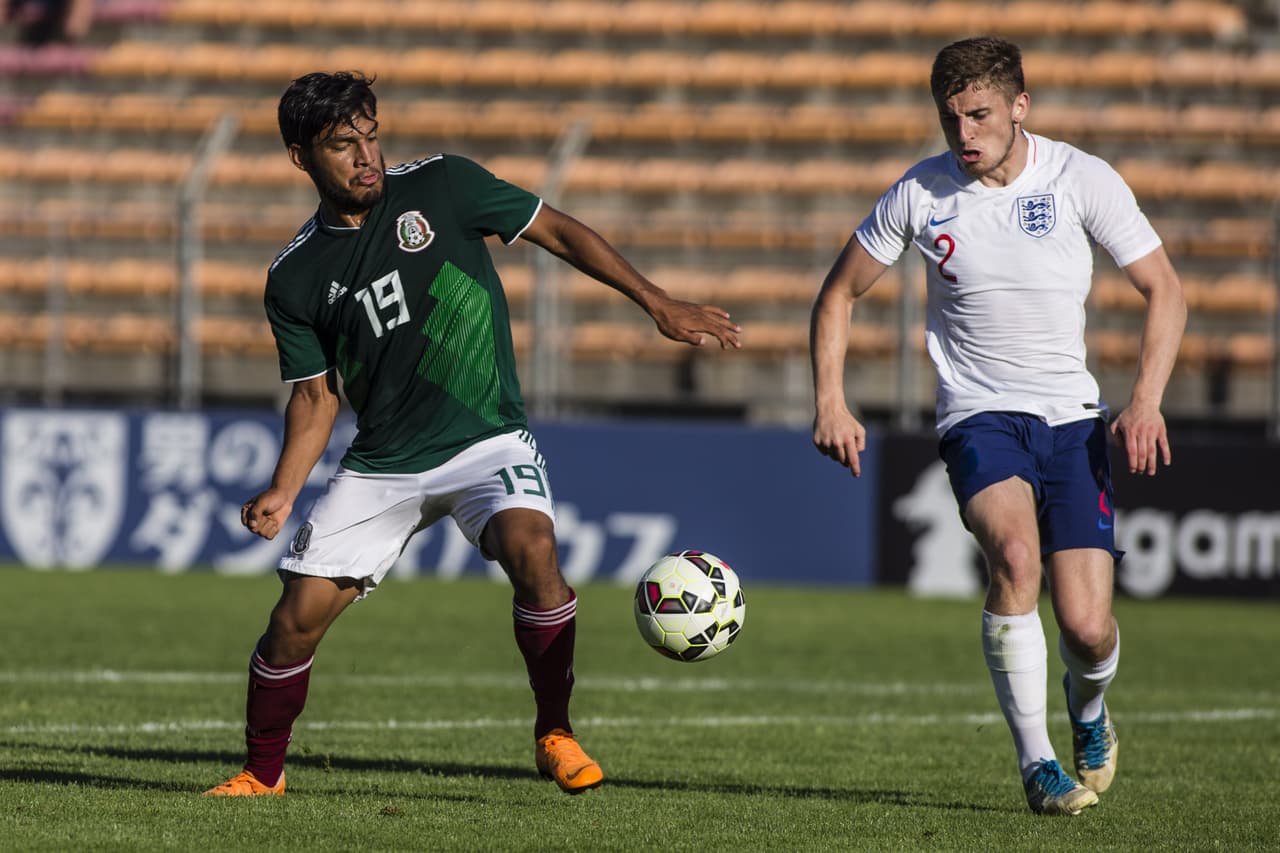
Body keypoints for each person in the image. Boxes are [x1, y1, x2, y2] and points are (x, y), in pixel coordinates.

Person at [204, 71, 741, 797]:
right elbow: (315, 396)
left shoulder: (443, 186)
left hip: (486, 438)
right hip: (383, 463)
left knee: (534, 548)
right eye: (342, 145)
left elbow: (555, 227)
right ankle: (261, 774)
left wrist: (655, 300)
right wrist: (283, 487)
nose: (367, 156)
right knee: (293, 621)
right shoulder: (295, 276)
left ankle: (555, 731)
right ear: (301, 157)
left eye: (371, 136)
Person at [809, 37, 1185, 816]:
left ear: (1020, 106)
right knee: (1016, 557)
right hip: (979, 414)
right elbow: (839, 292)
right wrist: (830, 400)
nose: (966, 135)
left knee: (1087, 626)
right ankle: (1038, 764)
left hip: (1073, 420)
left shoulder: (1081, 177)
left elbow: (1165, 290)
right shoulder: (920, 193)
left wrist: (1145, 399)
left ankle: (1087, 711)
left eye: (980, 115)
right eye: (952, 121)